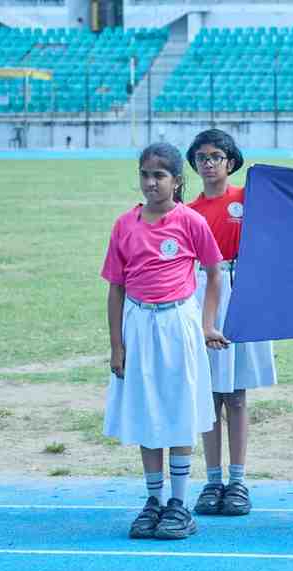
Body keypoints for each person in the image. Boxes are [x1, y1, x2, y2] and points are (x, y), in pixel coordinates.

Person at [101, 142, 230, 540]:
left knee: (178, 410)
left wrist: (207, 325)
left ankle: (179, 503)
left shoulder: (191, 221)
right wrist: (117, 346)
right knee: (147, 411)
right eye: (145, 175)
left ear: (176, 181)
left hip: (178, 324)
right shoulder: (125, 225)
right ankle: (153, 501)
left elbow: (214, 273)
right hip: (139, 325)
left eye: (159, 175)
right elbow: (116, 288)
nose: (151, 183)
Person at [185, 129, 277, 517]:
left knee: (237, 395)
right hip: (202, 294)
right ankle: (212, 480)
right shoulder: (188, 210)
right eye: (201, 158)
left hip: (241, 292)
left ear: (231, 161)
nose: (209, 164)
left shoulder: (247, 199)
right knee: (209, 393)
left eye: (216, 157)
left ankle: (237, 480)